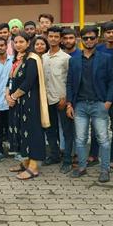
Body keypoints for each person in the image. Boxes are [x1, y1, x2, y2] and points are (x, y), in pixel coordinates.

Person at [66, 26, 113, 183]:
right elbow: (69, 83)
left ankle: (104, 170)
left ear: (97, 39)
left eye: (92, 38)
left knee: (103, 139)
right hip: (80, 105)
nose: (89, 41)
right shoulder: (74, 60)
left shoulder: (105, 58)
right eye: (86, 38)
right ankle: (81, 168)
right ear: (81, 40)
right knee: (80, 139)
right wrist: (69, 104)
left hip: (99, 104)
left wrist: (107, 103)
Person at [7, 31, 49, 180]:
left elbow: (28, 82)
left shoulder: (32, 59)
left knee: (32, 132)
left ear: (28, 43)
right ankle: (26, 161)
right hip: (18, 102)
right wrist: (7, 94)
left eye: (21, 42)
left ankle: (34, 167)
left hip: (30, 102)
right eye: (15, 42)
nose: (18, 45)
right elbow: (10, 79)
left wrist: (13, 96)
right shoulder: (16, 59)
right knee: (22, 131)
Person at [91, 21, 113, 171]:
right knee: (96, 127)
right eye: (108, 32)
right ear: (103, 34)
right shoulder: (97, 49)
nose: (111, 35)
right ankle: (93, 155)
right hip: (99, 95)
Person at [42, 26, 73, 171]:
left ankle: (67, 159)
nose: (53, 39)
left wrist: (65, 98)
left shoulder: (66, 58)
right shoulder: (43, 57)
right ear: (47, 37)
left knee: (67, 131)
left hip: (61, 100)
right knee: (50, 129)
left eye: (56, 37)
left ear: (60, 39)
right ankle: (54, 155)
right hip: (47, 100)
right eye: (51, 36)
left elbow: (70, 80)